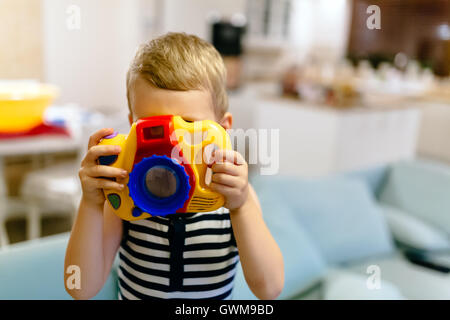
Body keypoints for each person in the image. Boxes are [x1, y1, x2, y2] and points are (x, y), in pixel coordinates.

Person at [64, 32, 284, 300]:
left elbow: (270, 289)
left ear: (223, 129)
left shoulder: (235, 200)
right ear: (133, 125)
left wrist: (242, 207)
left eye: (189, 126)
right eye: (154, 128)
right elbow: (80, 288)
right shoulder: (125, 200)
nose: (172, 146)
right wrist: (90, 204)